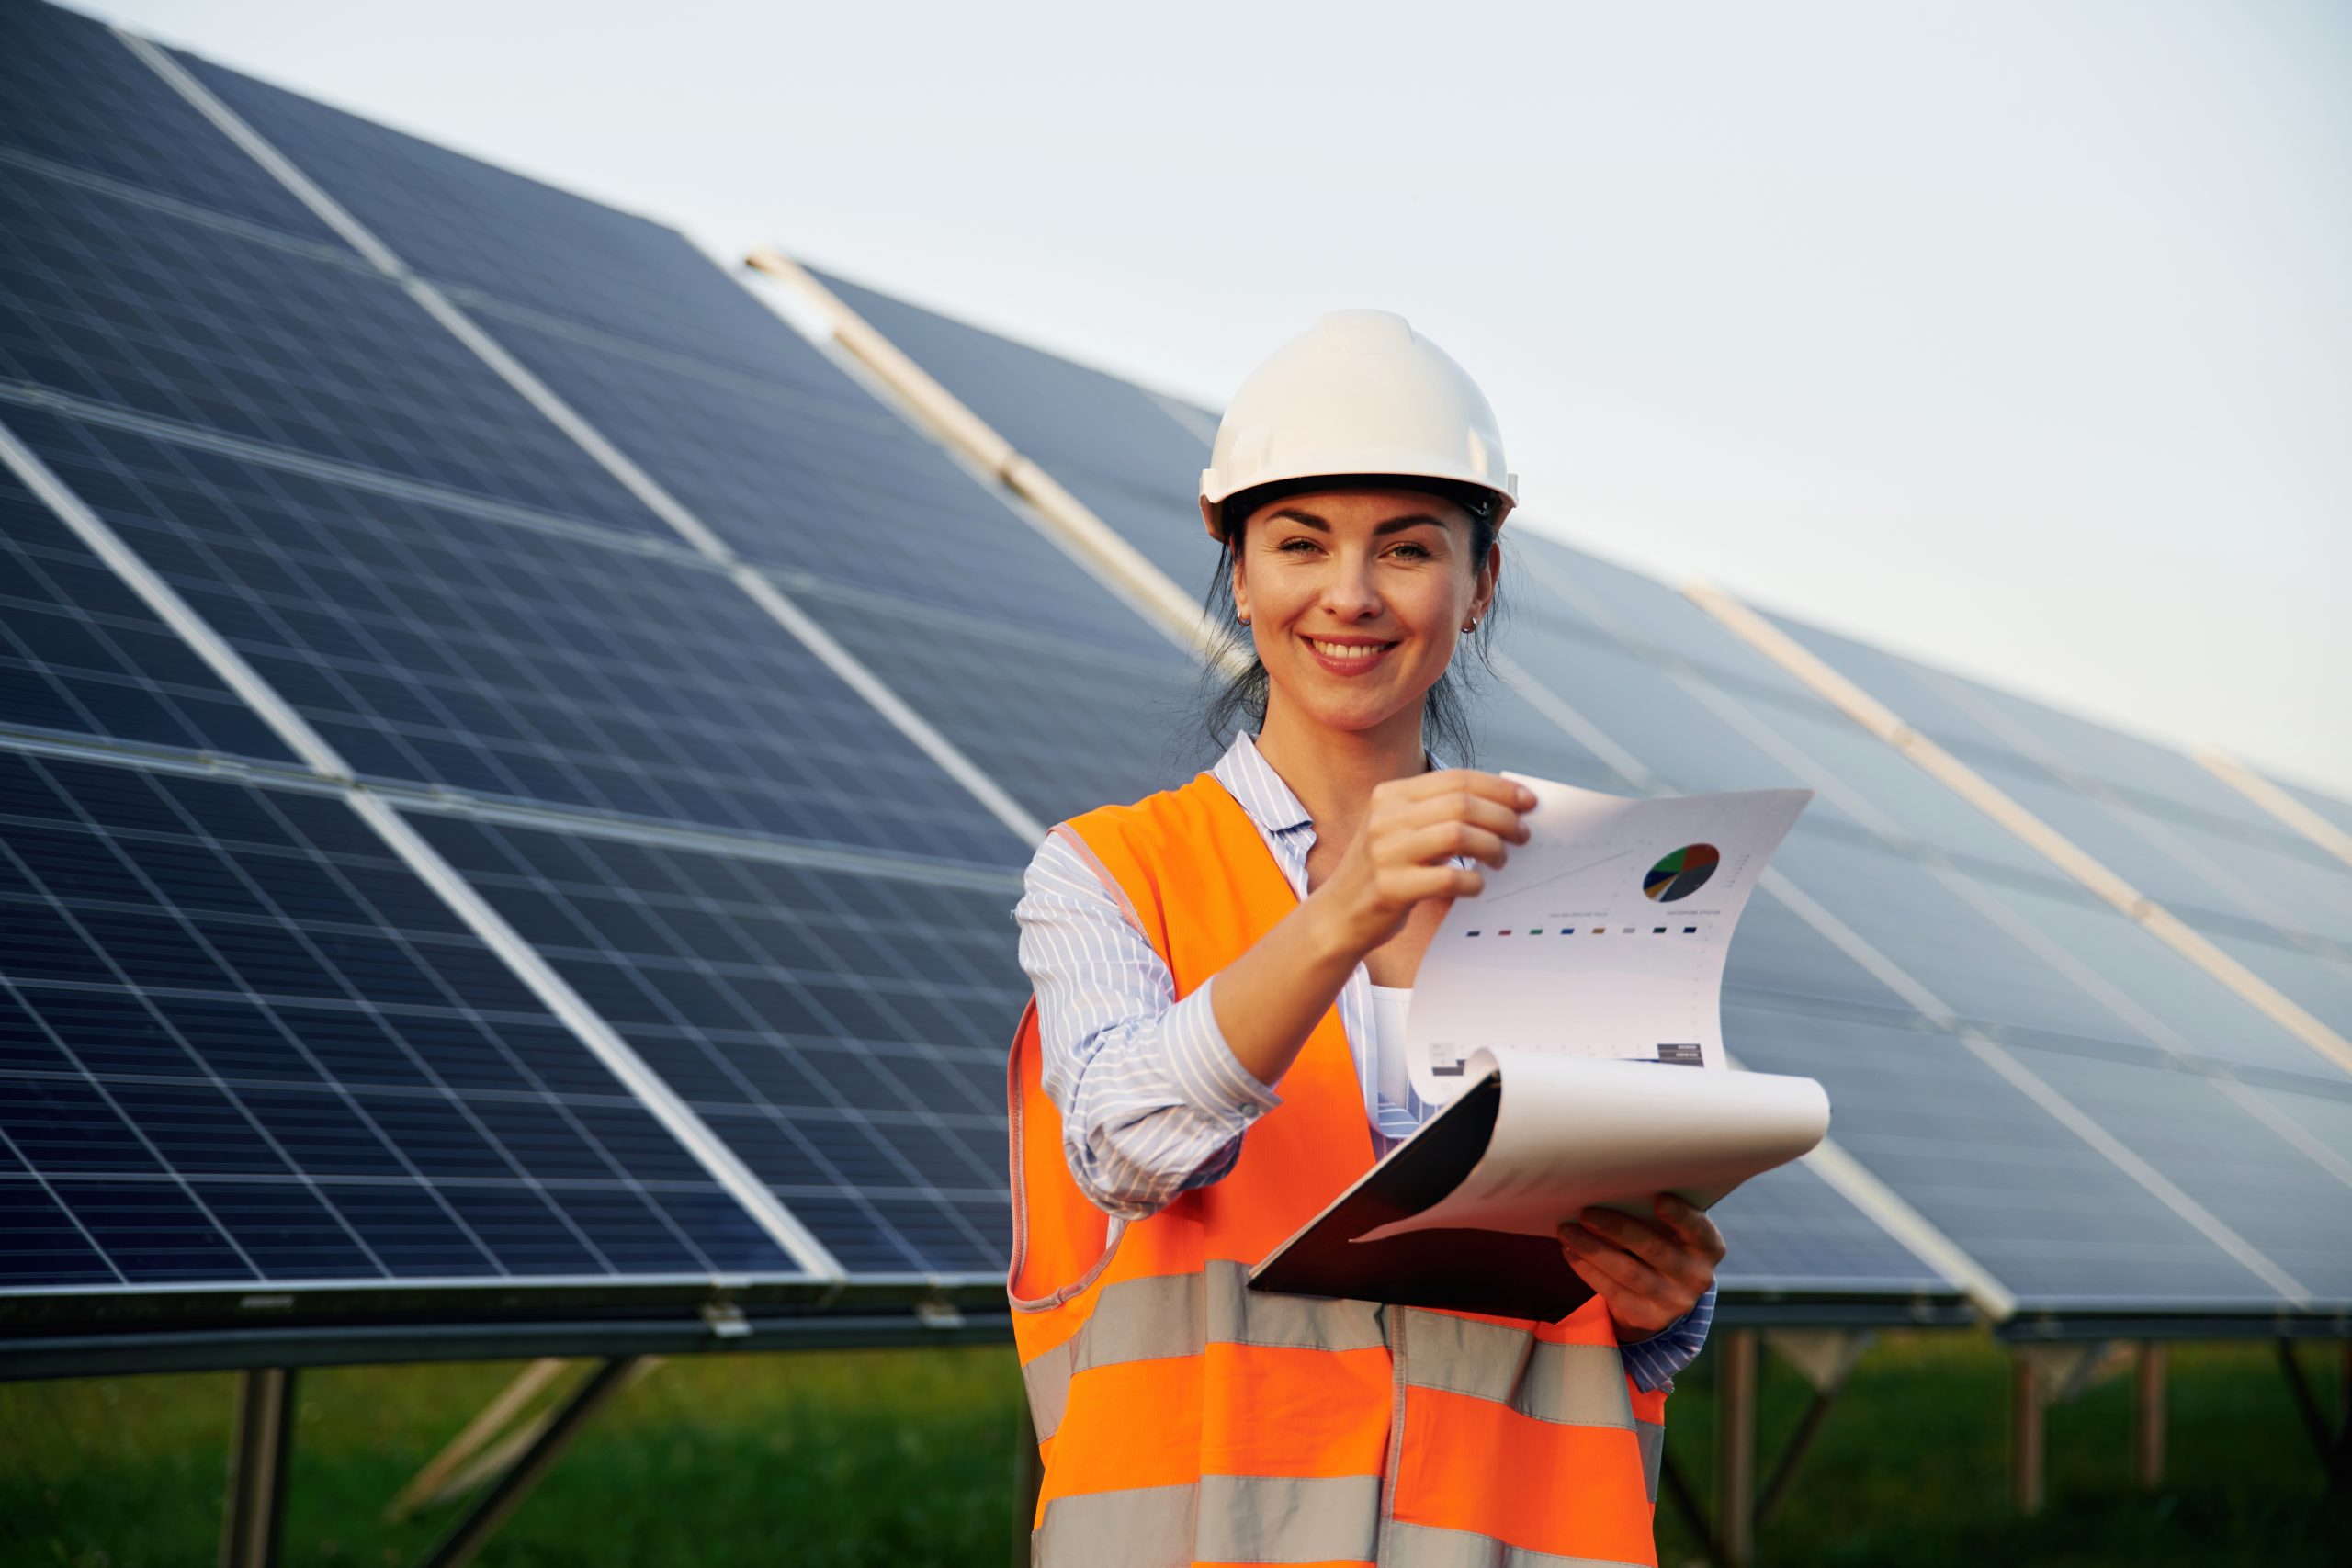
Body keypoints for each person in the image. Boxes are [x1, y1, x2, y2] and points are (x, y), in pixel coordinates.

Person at [1007, 310, 1725, 1567]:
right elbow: (1121, 1148)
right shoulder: (1110, 874)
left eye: (1407, 548)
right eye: (1300, 543)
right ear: (1239, 571)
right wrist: (1345, 910)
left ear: (1480, 581)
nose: (1350, 594)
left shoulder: (1574, 891)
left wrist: (1664, 1299)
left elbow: (1609, 1271)